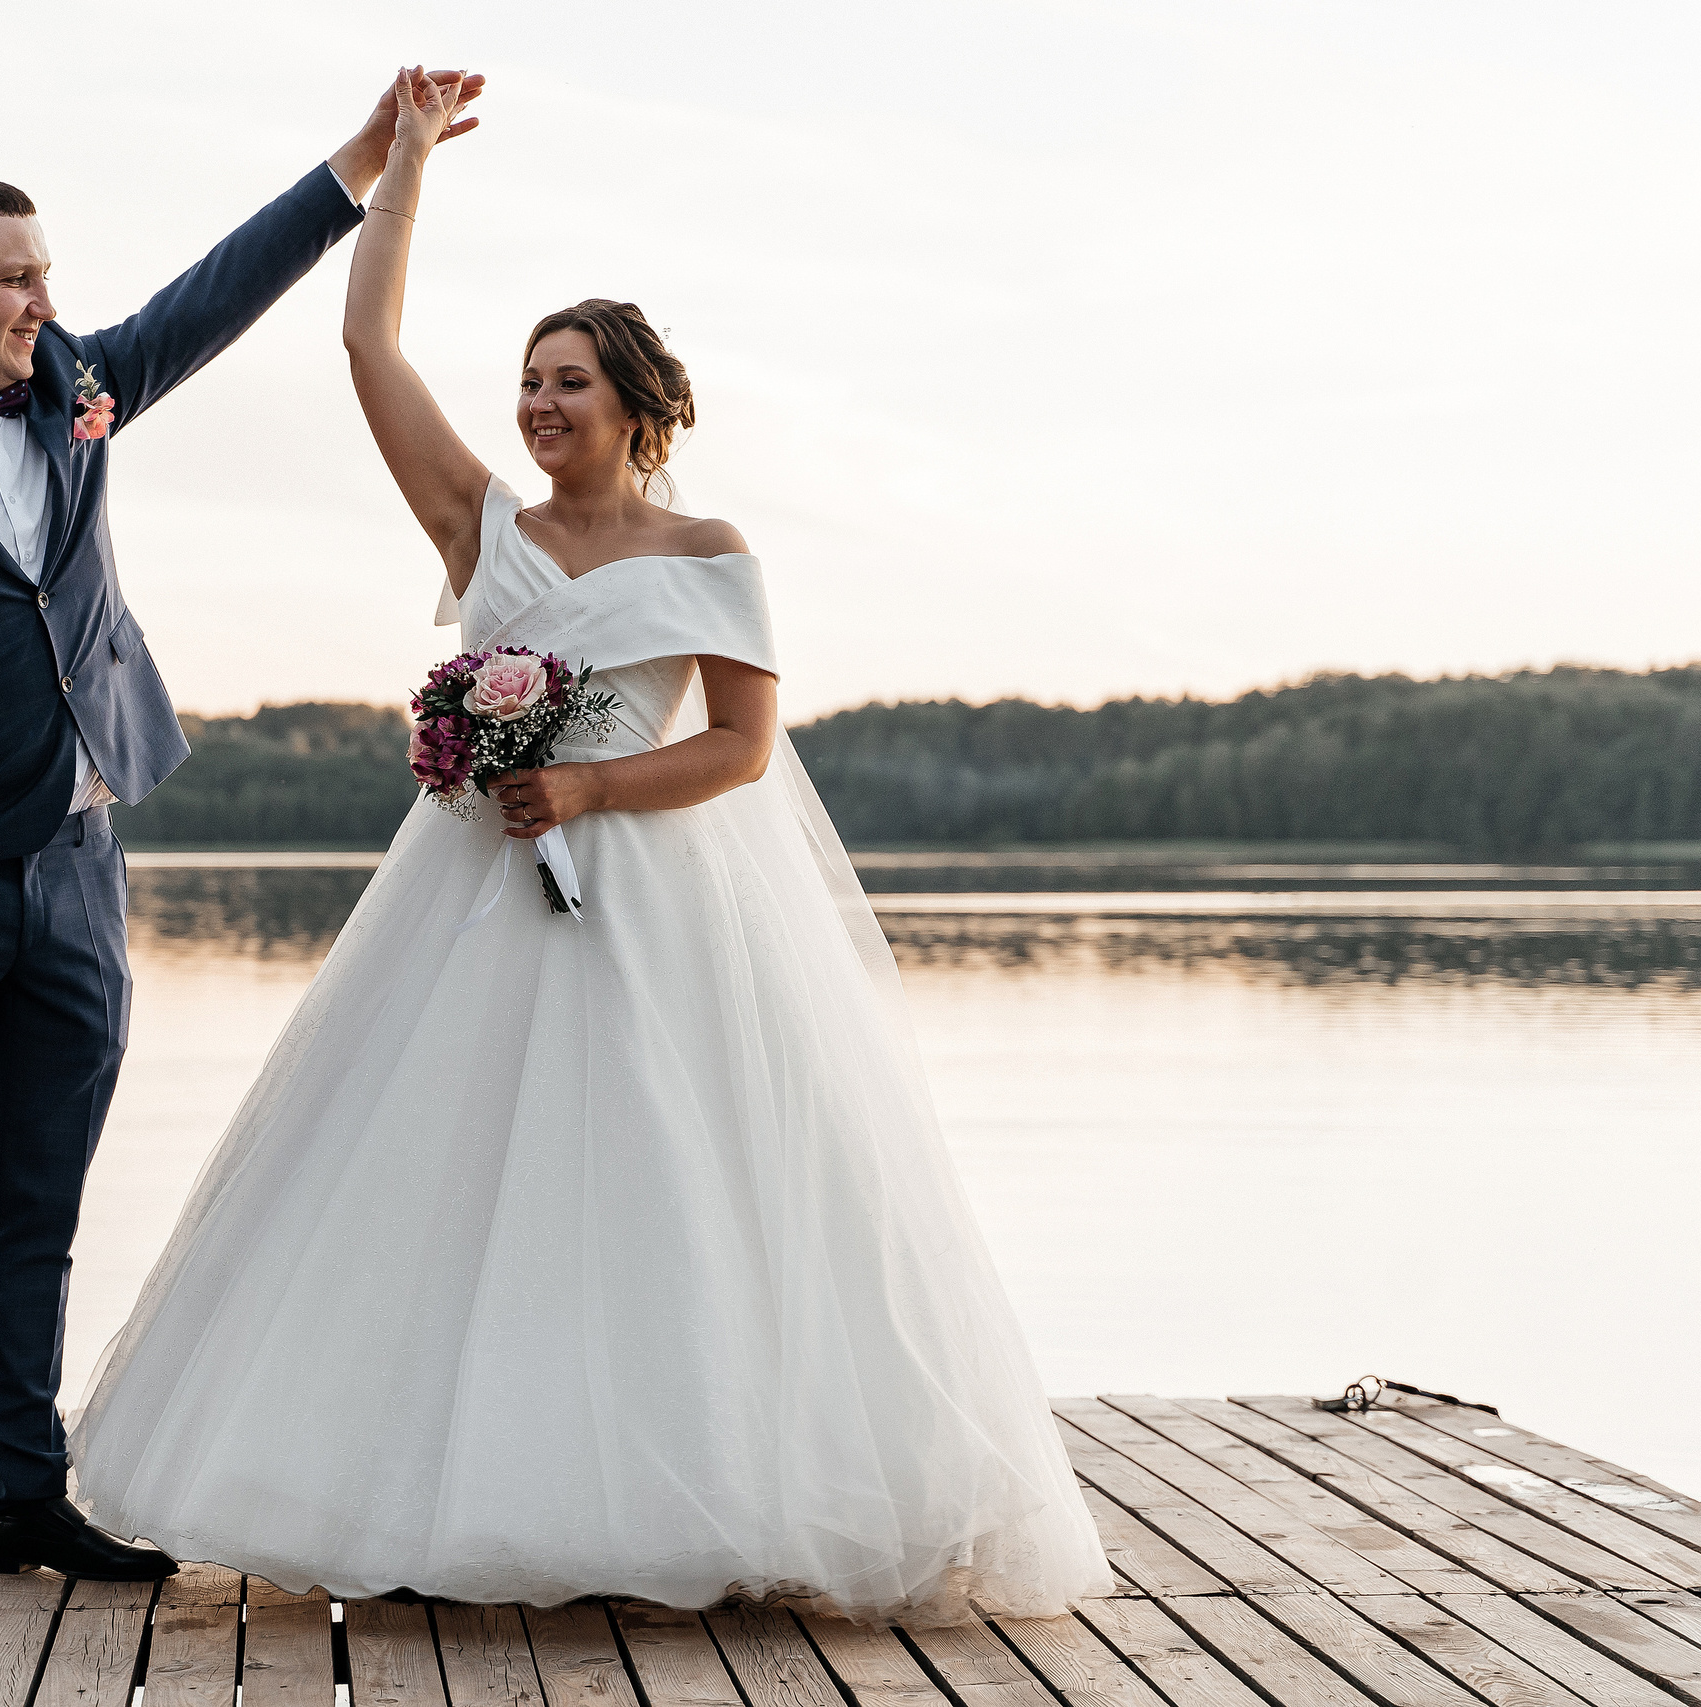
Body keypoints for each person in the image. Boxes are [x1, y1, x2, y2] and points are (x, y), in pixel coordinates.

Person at [66, 70, 1110, 1626]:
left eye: (570, 383)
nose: (540, 405)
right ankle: (436, 1493)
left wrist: (594, 792)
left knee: (672, 1191)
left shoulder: (710, 556)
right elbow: (367, 346)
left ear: (636, 405)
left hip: (659, 899)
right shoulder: (480, 528)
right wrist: (404, 165)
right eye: (530, 382)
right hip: (469, 898)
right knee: (430, 1184)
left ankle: (711, 1492)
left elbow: (743, 749)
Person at [0, 67, 487, 1606]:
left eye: (48, 275)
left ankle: (20, 1489)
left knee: (42, 1197)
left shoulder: (79, 381)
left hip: (80, 867)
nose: (42, 299)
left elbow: (218, 294)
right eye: (16, 277)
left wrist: (370, 155)